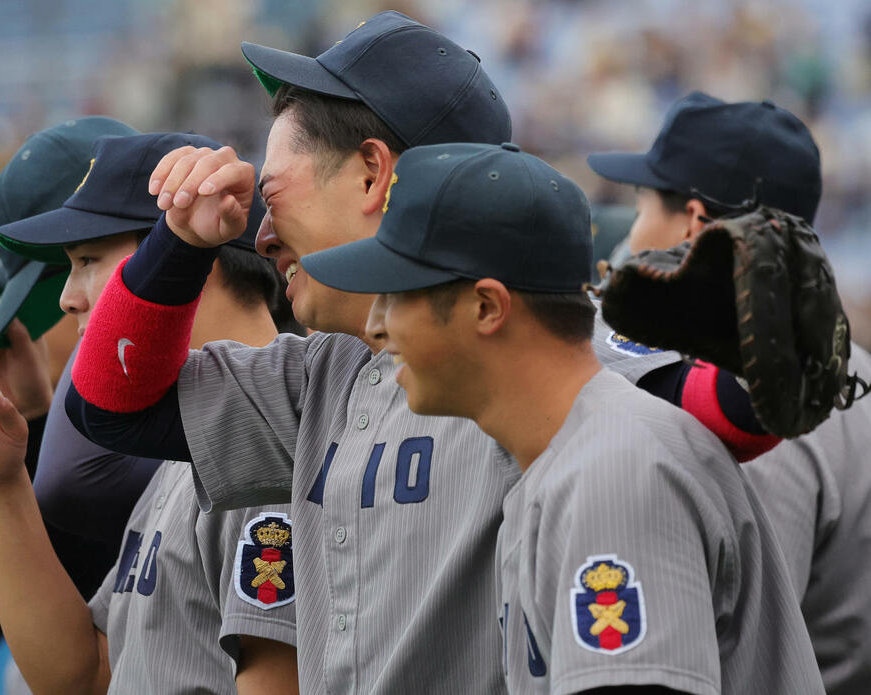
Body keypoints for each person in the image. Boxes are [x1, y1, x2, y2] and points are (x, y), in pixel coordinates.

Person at [57, 13, 783, 692]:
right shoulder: (324, 371)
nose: (261, 233)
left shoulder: (513, 339)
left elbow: (725, 412)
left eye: (274, 196)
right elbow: (110, 406)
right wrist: (177, 244)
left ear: (374, 174)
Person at [300, 141, 823, 694]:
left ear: (487, 307)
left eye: (396, 295)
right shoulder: (564, 458)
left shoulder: (613, 474)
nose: (377, 326)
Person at [0, 132, 298, 694]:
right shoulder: (176, 455)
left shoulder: (274, 441)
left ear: (181, 256)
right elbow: (81, 675)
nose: (67, 296)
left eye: (87, 261)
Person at [587, 90, 871, 695]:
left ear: (692, 221)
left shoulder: (749, 386)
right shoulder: (845, 367)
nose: (632, 230)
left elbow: (742, 640)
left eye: (642, 204)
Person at [0, 117, 149, 690]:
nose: (65, 306)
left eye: (85, 262)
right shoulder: (87, 424)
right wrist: (34, 427)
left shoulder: (239, 399)